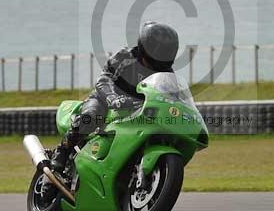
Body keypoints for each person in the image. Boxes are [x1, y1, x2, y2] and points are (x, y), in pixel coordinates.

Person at [50, 21, 180, 172]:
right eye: (158, 51)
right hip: (105, 101)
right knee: (91, 116)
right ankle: (62, 152)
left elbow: (171, 99)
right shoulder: (126, 57)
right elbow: (105, 79)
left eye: (165, 52)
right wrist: (113, 98)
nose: (160, 55)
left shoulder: (167, 74)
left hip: (139, 110)